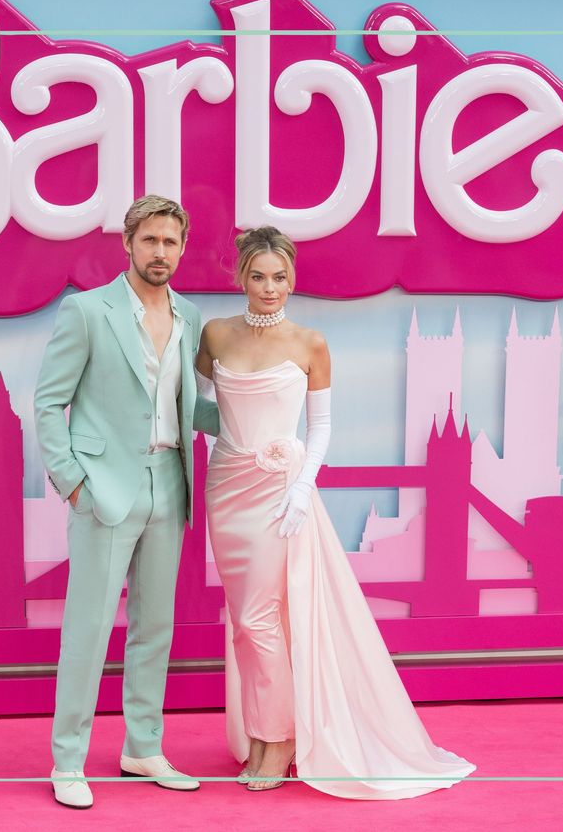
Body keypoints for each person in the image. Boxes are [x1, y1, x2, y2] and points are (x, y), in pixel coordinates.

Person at [194, 227, 475, 798]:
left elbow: (321, 427)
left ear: (292, 279)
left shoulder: (310, 343)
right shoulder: (216, 335)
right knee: (245, 622)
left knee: (262, 617)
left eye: (280, 277)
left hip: (280, 492)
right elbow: (198, 406)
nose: (270, 288)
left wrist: (301, 486)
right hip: (227, 486)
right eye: (258, 277)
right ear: (240, 279)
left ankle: (281, 740)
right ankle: (264, 734)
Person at [34, 195, 219, 809]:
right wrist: (71, 480)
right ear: (129, 244)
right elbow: (47, 403)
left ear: (182, 249)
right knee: (87, 630)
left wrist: (265, 405)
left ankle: (143, 746)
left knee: (154, 629)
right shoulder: (86, 311)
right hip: (104, 487)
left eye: (170, 242)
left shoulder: (191, 316)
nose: (160, 252)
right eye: (150, 241)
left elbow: (187, 405)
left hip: (170, 479)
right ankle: (68, 762)